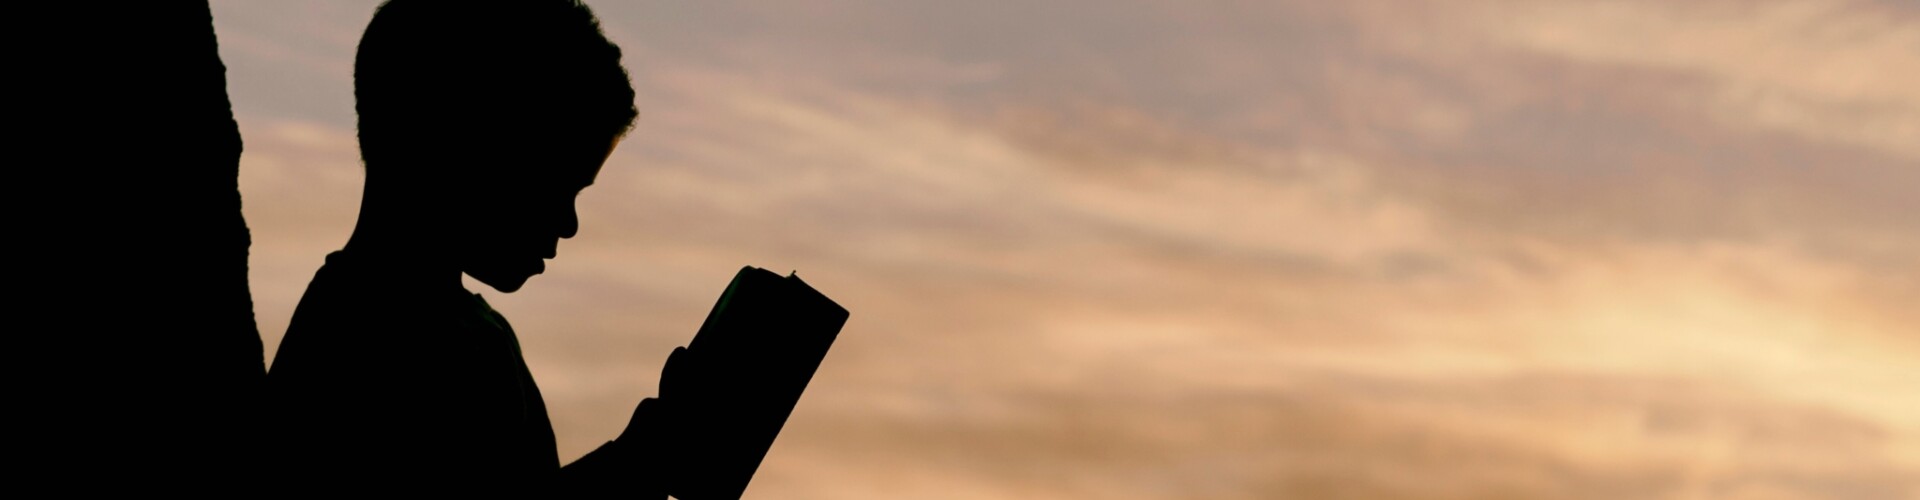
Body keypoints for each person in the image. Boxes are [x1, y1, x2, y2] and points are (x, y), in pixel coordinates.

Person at [263, 0, 679, 494]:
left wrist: (645, 456)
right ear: (462, 145)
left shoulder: (452, 333)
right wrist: (641, 461)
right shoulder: (375, 344)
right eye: (552, 184)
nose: (568, 225)